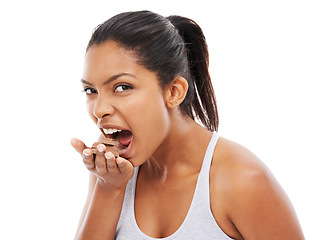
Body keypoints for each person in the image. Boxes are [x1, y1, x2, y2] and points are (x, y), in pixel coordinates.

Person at [71, 10, 305, 240]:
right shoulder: (111, 174)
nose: (99, 109)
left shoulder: (243, 180)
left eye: (122, 87)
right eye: (90, 90)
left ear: (174, 92)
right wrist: (108, 188)